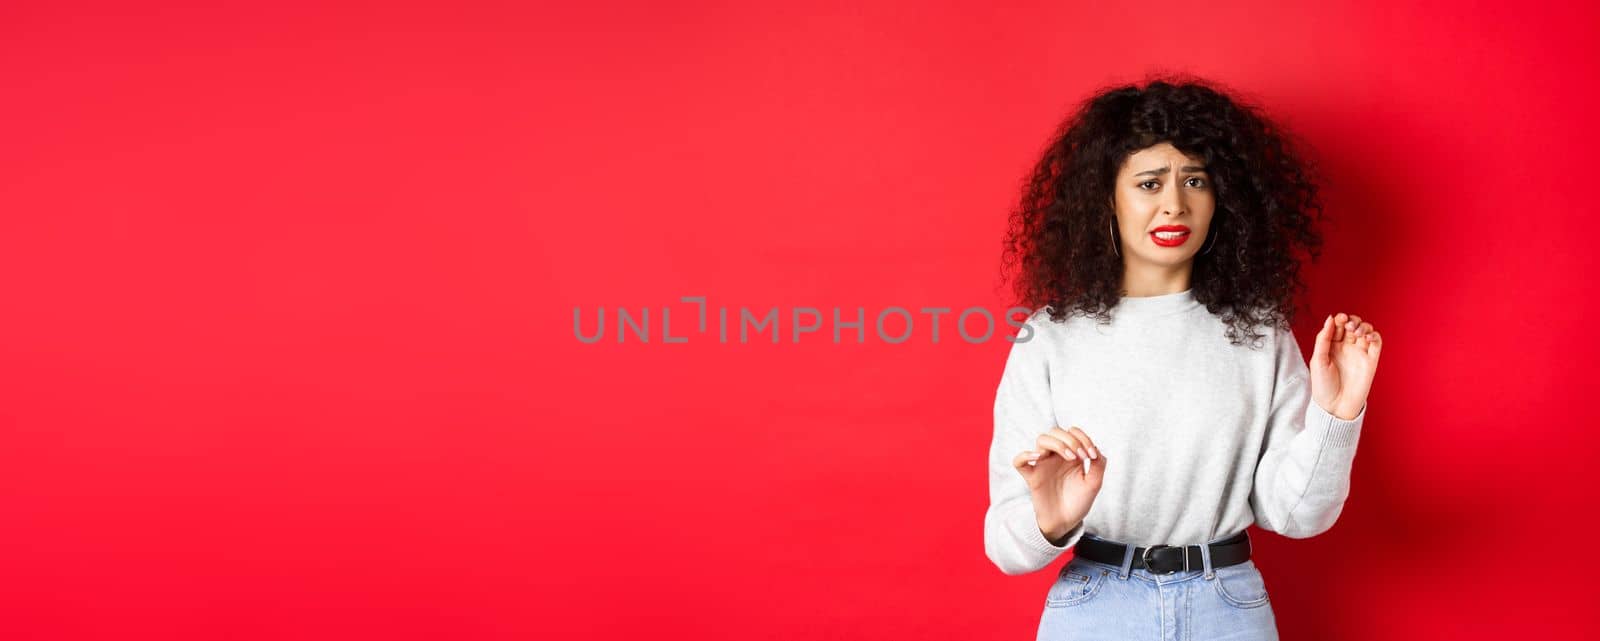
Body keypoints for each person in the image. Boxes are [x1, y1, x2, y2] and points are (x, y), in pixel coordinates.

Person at [983, 76, 1383, 641]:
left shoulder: (1259, 333)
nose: (1175, 204)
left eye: (1195, 180)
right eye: (1149, 183)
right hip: (1096, 608)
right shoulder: (1051, 338)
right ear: (1107, 198)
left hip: (1229, 608)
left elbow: (1295, 517)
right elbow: (1004, 546)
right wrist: (1051, 517)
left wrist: (1335, 417)